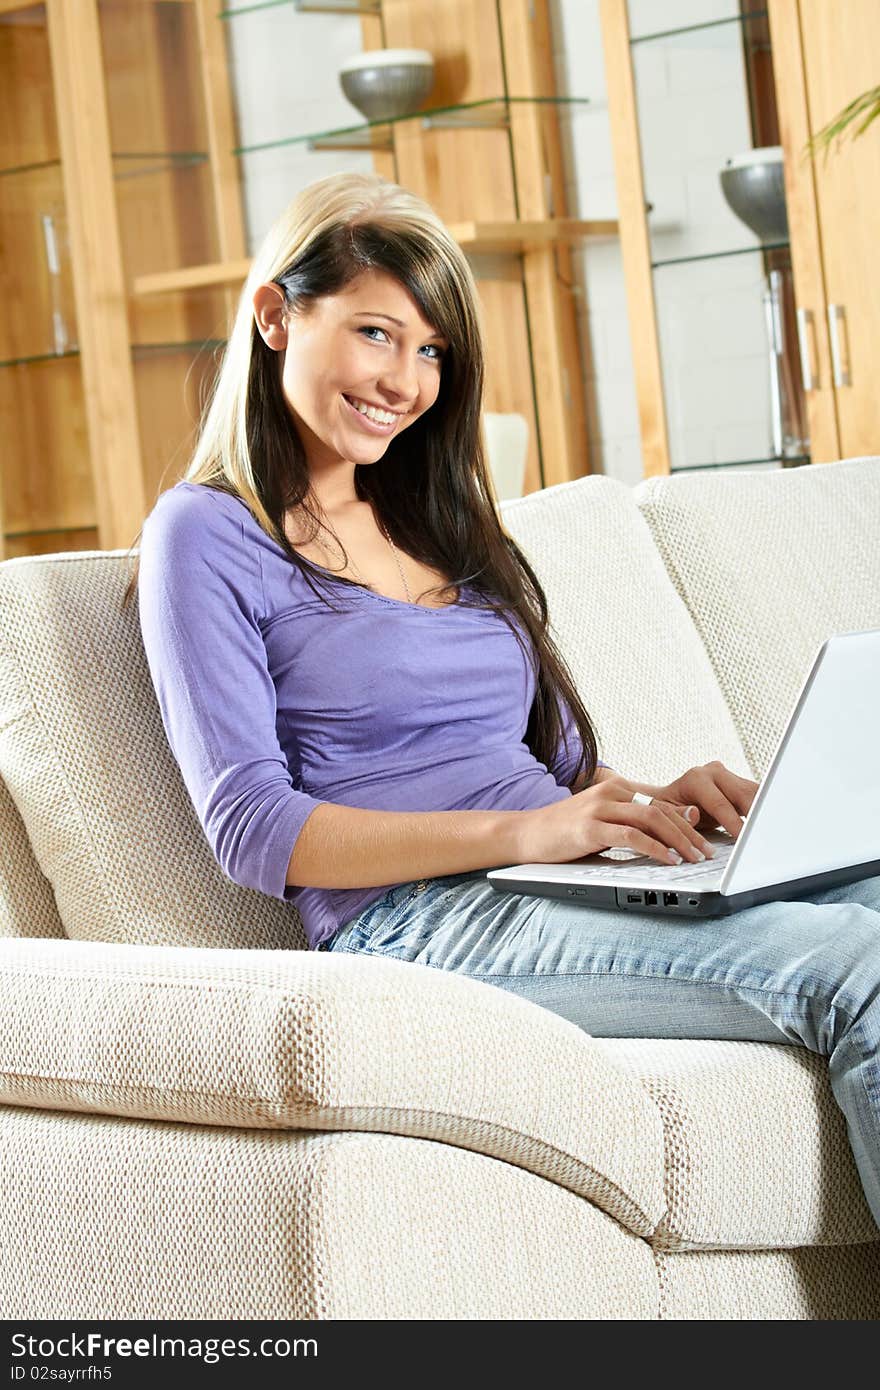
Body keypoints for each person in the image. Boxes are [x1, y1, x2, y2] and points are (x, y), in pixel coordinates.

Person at [131, 171, 880, 1231]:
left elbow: (557, 772)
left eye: (432, 351)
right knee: (858, 969)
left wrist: (650, 800)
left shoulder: (445, 526)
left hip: (556, 876)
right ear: (274, 314)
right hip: (415, 922)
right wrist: (529, 827)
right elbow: (252, 829)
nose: (406, 379)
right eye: (378, 333)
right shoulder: (206, 535)